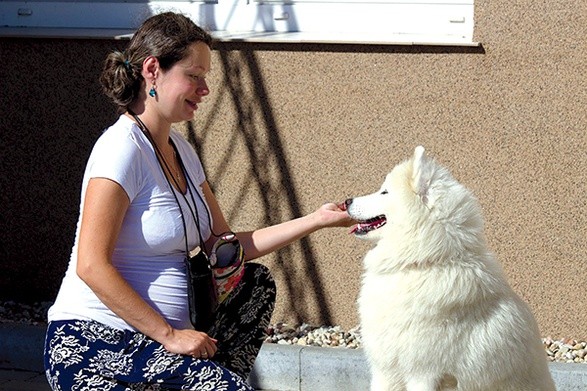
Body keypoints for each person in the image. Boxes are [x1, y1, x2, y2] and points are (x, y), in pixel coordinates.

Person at [43, 11, 354, 391]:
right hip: (95, 340)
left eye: (206, 78)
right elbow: (91, 265)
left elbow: (226, 248)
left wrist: (317, 219)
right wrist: (169, 335)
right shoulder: (120, 150)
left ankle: (211, 376)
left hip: (162, 344)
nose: (205, 89)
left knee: (254, 284)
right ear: (153, 70)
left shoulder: (183, 153)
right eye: (194, 76)